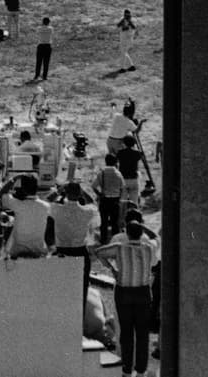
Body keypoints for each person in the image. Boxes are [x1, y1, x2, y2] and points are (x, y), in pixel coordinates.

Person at [91, 219, 158, 377]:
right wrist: (144, 227)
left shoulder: (119, 247)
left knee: (126, 333)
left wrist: (112, 268)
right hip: (143, 292)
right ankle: (141, 371)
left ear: (126, 234)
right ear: (141, 234)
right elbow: (156, 239)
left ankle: (127, 370)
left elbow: (98, 252)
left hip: (124, 292)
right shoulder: (149, 248)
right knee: (142, 334)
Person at [50, 181, 97, 299]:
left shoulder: (57, 209)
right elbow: (92, 203)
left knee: (61, 290)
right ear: (79, 194)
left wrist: (59, 191)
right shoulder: (87, 211)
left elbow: (47, 201)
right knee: (82, 289)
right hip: (80, 251)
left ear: (66, 193)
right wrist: (83, 192)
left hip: (61, 251)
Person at [0, 175, 50, 259]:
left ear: (22, 188)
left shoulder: (17, 204)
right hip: (39, 252)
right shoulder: (46, 206)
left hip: (18, 252)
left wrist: (14, 179)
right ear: (37, 187)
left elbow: (2, 193)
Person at [92, 154, 125, 243]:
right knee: (115, 223)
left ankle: (103, 240)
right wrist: (119, 197)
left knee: (104, 222)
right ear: (115, 162)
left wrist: (99, 194)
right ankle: (115, 241)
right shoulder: (118, 174)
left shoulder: (101, 173)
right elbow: (122, 187)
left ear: (106, 162)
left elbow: (93, 186)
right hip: (115, 200)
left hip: (104, 200)